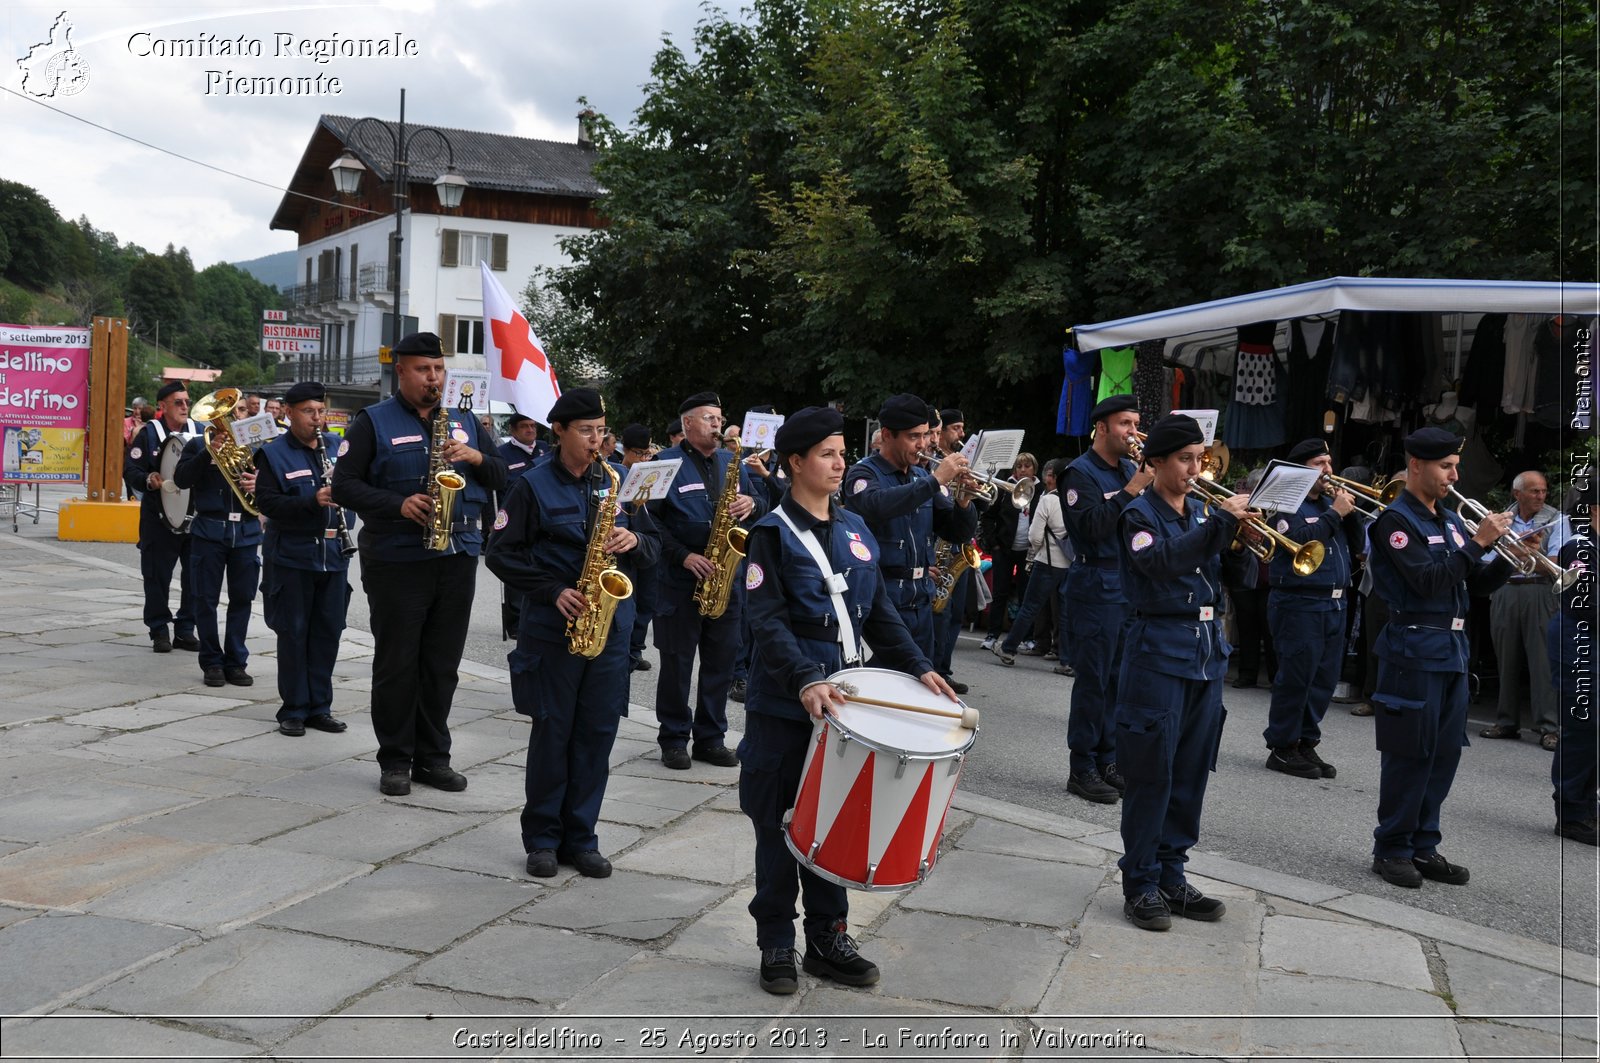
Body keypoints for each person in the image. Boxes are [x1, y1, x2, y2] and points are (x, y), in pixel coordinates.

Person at [739, 405, 956, 994]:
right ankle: (777, 944)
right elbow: (766, 619)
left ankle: (828, 938)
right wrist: (807, 678)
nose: (840, 464)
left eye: (841, 452)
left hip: (848, 700)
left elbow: (879, 612)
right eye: (828, 455)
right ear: (795, 463)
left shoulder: (855, 528)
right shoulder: (770, 534)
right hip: (789, 702)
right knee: (782, 821)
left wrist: (917, 665)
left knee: (833, 820)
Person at [487, 388, 659, 879]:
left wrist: (636, 538)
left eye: (601, 430)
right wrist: (550, 591)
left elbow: (654, 546)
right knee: (553, 733)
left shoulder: (618, 479)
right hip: (553, 630)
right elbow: (500, 553)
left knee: (597, 736)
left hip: (609, 629)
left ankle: (582, 837)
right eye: (585, 431)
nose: (596, 440)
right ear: (558, 431)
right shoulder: (531, 486)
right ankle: (542, 838)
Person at [331, 331, 508, 796]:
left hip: (458, 554)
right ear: (402, 372)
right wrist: (397, 504)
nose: (434, 378)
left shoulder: (466, 419)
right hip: (397, 557)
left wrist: (475, 455)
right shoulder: (372, 422)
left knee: (442, 663)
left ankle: (433, 756)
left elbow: (503, 474)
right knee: (397, 661)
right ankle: (395, 758)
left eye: (439, 369)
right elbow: (345, 485)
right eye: (424, 370)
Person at [1114, 413, 1253, 931]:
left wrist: (1239, 545)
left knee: (1192, 772)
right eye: (1185, 460)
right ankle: (1141, 883)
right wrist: (1220, 528)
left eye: (1201, 459)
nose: (1196, 469)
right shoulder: (1138, 515)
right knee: (1152, 773)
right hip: (1158, 652)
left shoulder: (1200, 512)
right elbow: (1160, 564)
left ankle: (1173, 873)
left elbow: (1224, 578)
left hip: (1205, 653)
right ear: (1156, 463)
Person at [1366, 427, 1513, 889]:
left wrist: (1508, 557)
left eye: (1455, 466)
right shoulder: (1395, 522)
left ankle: (1423, 844)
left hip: (1451, 650)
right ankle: (1391, 848)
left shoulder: (1449, 518)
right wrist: (1477, 545)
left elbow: (1473, 584)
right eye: (1445, 466)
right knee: (1410, 752)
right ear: (1416, 466)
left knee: (1445, 753)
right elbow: (1427, 582)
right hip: (1413, 647)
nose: (1454, 475)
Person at [650, 391, 767, 769]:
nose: (717, 425)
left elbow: (761, 508)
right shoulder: (663, 463)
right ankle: (673, 739)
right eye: (708, 419)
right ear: (687, 424)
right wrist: (684, 556)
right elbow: (647, 522)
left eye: (719, 418)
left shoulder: (731, 462)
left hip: (725, 577)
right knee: (677, 664)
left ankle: (710, 738)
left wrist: (753, 504)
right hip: (680, 579)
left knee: (720, 662)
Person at [1058, 394, 1154, 804]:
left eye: (1135, 423)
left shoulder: (1132, 467)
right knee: (1094, 681)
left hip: (1127, 583)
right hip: (1095, 582)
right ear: (1101, 428)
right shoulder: (1078, 473)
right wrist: (1132, 490)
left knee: (1120, 680)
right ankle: (1082, 766)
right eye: (1124, 424)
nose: (1133, 432)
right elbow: (1094, 527)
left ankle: (1109, 759)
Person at [843, 394, 977, 669]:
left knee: (921, 688)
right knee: (880, 690)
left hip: (920, 601)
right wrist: (936, 480)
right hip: (881, 601)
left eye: (925, 435)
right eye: (913, 436)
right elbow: (878, 505)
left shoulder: (919, 478)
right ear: (889, 435)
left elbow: (956, 532)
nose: (922, 444)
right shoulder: (863, 474)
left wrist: (963, 500)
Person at [254, 381, 355, 736]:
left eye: (321, 411)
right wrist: (311, 501)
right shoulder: (274, 454)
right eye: (309, 412)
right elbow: (266, 503)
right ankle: (293, 708)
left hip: (333, 556)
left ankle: (319, 707)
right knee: (294, 634)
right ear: (289, 412)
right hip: (293, 557)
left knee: (328, 633)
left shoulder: (335, 447)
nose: (317, 418)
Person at [1261, 439, 1355, 779]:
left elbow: (1356, 547)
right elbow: (1301, 542)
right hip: (1299, 602)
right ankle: (1282, 746)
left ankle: (1305, 741)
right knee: (1297, 678)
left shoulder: (1333, 504)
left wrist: (1349, 515)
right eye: (1320, 463)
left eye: (1330, 462)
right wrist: (1335, 514)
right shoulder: (1285, 505)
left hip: (1336, 602)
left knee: (1323, 680)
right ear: (1299, 469)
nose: (1329, 470)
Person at [173, 395, 262, 688]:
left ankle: (236, 662)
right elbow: (182, 479)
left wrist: (259, 483)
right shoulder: (198, 444)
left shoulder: (256, 446)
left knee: (242, 599)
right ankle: (211, 661)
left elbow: (275, 486)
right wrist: (207, 454)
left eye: (238, 409)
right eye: (231, 410)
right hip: (210, 530)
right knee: (205, 599)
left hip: (247, 533)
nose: (233, 415)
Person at [1481, 470, 1565, 748]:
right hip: (1505, 589)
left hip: (1540, 589)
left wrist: (1515, 555)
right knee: (1506, 657)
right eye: (1534, 491)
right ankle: (1506, 721)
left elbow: (1553, 561)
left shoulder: (1557, 519)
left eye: (1543, 491)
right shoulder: (1501, 519)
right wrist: (1525, 556)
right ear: (1517, 494)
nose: (1541, 496)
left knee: (1543, 659)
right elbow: (1488, 559)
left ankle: (1549, 726)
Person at [123, 381, 200, 654]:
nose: (184, 406)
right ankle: (159, 629)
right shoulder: (149, 434)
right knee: (156, 576)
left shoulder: (199, 432)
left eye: (186, 402)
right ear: (162, 406)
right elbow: (130, 469)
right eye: (178, 402)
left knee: (195, 577)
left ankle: (186, 629)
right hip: (159, 518)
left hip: (194, 518)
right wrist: (147, 478)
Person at [1548, 480, 1597, 845]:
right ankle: (1571, 811)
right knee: (1583, 728)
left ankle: (1585, 807)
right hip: (1577, 646)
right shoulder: (1578, 549)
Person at [995, 456, 1072, 668]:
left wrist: (1038, 550)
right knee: (1064, 613)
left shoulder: (1048, 500)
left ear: (1053, 477)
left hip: (1047, 561)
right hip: (1069, 563)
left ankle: (1008, 649)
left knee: (1029, 607)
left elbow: (1034, 536)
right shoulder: (1075, 499)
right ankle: (1066, 661)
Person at [930, 408, 979, 693]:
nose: (961, 434)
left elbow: (980, 506)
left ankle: (944, 669)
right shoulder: (932, 465)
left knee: (955, 613)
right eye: (955, 428)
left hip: (959, 544)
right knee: (940, 614)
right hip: (939, 544)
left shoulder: (962, 464)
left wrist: (970, 491)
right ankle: (933, 668)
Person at [982, 452, 1039, 653]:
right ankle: (992, 635)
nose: (1023, 470)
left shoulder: (1039, 491)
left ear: (1034, 469)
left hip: (1028, 551)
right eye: (1019, 466)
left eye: (1027, 466)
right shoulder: (1005, 488)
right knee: (1000, 592)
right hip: (1004, 549)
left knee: (1027, 594)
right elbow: (988, 517)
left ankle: (1027, 637)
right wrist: (995, 543)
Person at [620, 423, 661, 673]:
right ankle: (624, 649)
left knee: (647, 600)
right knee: (629, 600)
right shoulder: (615, 470)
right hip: (627, 545)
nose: (644, 458)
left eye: (648, 454)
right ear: (625, 450)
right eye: (639, 453)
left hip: (648, 542)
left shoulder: (653, 469)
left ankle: (635, 649)